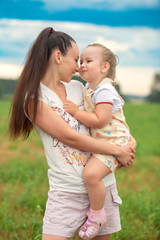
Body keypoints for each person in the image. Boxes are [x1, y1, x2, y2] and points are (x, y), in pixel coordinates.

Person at [8, 28, 136, 240]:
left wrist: (129, 141)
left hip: (101, 188)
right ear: (58, 56)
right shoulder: (33, 99)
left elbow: (108, 122)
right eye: (76, 59)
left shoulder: (79, 88)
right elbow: (70, 137)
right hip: (66, 192)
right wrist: (116, 150)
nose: (78, 67)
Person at [64, 43, 134, 239]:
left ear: (104, 68)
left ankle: (97, 215)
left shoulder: (104, 91)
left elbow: (100, 120)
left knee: (91, 176)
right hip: (107, 141)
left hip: (113, 146)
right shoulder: (90, 87)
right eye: (80, 61)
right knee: (91, 175)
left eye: (88, 60)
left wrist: (76, 112)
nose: (82, 65)